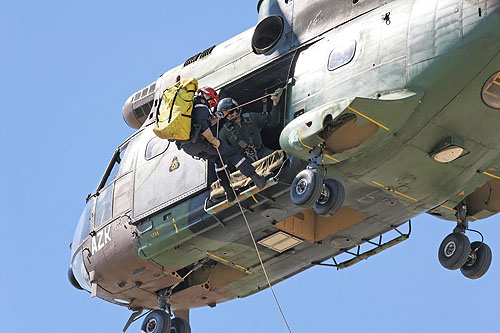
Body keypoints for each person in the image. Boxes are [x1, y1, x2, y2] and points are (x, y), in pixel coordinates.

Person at [178, 86, 270, 202]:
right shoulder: (201, 104)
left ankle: (229, 193)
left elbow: (206, 122)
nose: (211, 104)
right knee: (232, 154)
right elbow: (203, 125)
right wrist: (213, 141)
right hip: (200, 142)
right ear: (208, 96)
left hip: (189, 147)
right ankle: (256, 178)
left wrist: (220, 115)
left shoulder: (191, 109)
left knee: (217, 159)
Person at [217, 88, 283, 162]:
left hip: (262, 153)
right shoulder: (224, 132)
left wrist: (275, 102)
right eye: (226, 115)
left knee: (280, 157)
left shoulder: (252, 117)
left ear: (237, 108)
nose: (229, 116)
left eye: (231, 112)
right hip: (245, 162)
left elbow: (272, 121)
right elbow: (224, 153)